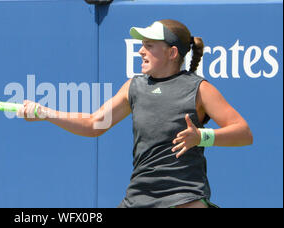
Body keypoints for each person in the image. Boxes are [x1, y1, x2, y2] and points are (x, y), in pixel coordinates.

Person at [17, 19, 253, 208]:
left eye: (149, 45)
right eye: (142, 45)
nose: (141, 51)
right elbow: (94, 123)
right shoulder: (134, 86)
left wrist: (202, 137)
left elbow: (243, 133)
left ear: (172, 53)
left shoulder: (199, 88)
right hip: (138, 197)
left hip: (184, 197)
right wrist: (45, 112)